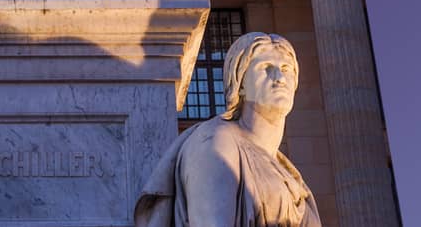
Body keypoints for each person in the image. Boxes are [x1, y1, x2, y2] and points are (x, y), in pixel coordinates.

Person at [135, 32, 322, 227]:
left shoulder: (287, 171)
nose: (280, 78)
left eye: (286, 69)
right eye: (266, 68)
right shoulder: (215, 143)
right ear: (240, 83)